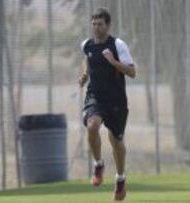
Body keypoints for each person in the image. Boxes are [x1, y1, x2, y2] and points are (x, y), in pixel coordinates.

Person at [78, 8, 136, 201]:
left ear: (108, 25)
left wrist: (113, 61)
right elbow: (87, 58)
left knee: (116, 141)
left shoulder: (117, 45)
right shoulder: (87, 44)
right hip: (95, 97)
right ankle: (98, 164)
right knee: (92, 126)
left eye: (100, 24)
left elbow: (132, 72)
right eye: (93, 23)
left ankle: (120, 180)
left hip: (117, 101)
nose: (96, 27)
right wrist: (85, 74)